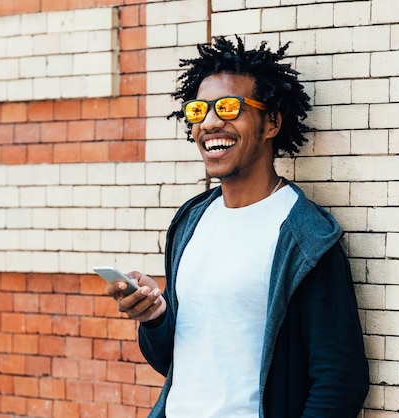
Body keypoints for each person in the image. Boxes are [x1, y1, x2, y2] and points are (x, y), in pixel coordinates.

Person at [106, 35, 369, 417]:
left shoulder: (305, 237)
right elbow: (177, 362)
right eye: (198, 111)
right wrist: (155, 317)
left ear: (272, 122)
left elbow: (340, 379)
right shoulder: (192, 221)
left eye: (229, 108)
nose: (210, 123)